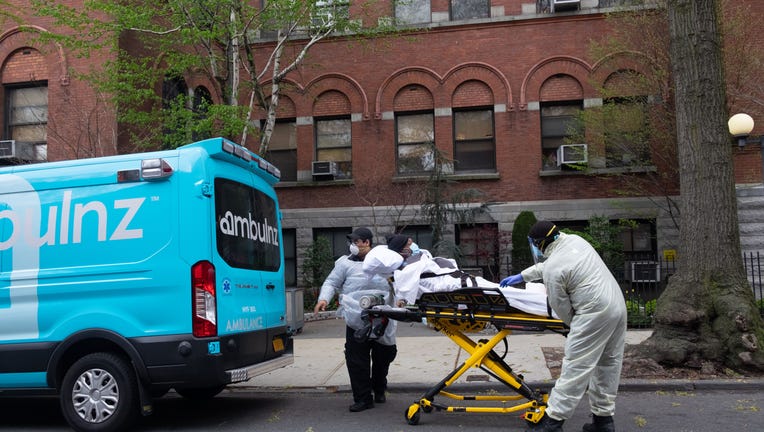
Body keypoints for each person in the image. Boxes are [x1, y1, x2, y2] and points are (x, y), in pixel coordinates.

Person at [500, 221, 627, 432]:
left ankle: (553, 422)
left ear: (539, 243)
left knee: (575, 367)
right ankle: (603, 421)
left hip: (593, 313)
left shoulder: (553, 268)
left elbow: (561, 307)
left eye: (532, 243)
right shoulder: (576, 241)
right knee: (608, 364)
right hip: (617, 306)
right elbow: (554, 264)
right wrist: (523, 276)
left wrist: (574, 326)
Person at [314, 227, 397, 412]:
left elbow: (397, 281)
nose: (352, 245)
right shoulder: (345, 263)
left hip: (382, 317)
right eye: (352, 242)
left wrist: (401, 299)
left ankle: (379, 387)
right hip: (355, 318)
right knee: (356, 359)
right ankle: (363, 398)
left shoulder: (383, 262)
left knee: (385, 354)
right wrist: (323, 299)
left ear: (367, 242)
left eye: (356, 242)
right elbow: (331, 282)